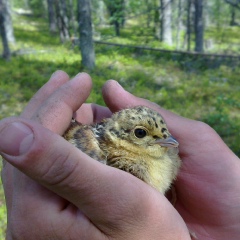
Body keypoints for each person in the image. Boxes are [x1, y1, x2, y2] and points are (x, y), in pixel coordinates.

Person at [0, 71, 239, 240]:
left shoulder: (168, 156)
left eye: (163, 134)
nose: (167, 142)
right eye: (142, 134)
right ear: (122, 137)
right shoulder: (99, 152)